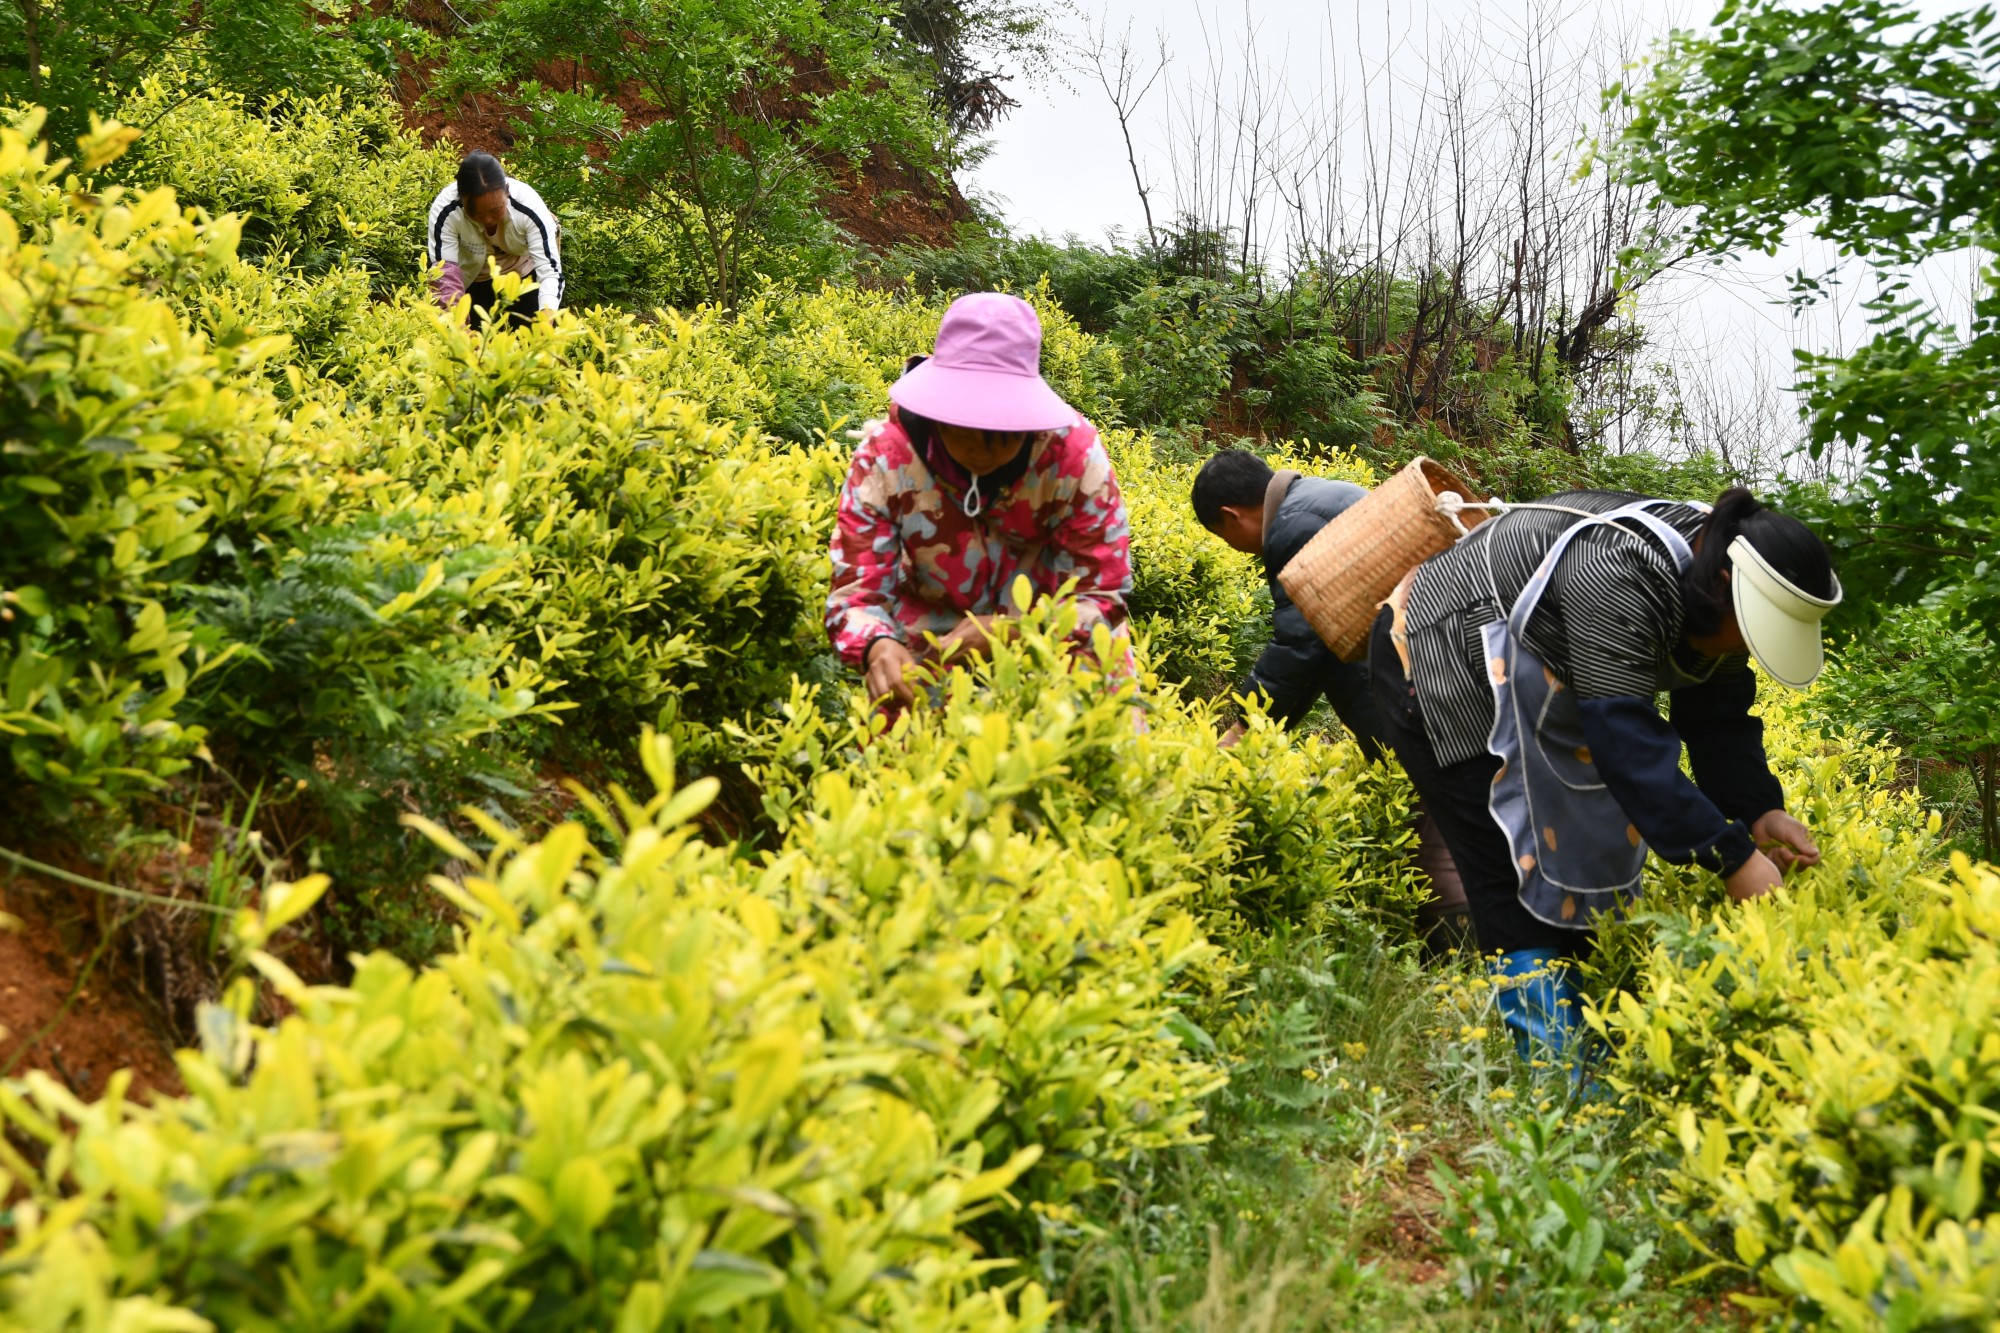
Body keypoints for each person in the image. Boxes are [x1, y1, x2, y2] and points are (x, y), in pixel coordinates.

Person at [1368, 486, 1841, 1062]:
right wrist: (1730, 858)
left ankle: (1592, 1050)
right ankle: (1555, 1079)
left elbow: (1718, 719)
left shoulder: (1724, 577)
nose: (1746, 648)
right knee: (1509, 868)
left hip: (1541, 678)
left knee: (1578, 859)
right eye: (1750, 633)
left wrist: (1758, 811)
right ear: (1724, 588)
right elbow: (1625, 740)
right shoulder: (1619, 567)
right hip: (1441, 654)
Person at [1192, 448, 1469, 948]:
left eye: (1222, 537)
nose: (1233, 547)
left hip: (1421, 702)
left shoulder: (1293, 528)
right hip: (1444, 683)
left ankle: (1460, 971)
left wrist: (1244, 726)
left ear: (1231, 517)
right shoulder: (1321, 495)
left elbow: (1301, 647)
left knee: (1435, 846)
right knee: (1446, 826)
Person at [827, 292, 1133, 705]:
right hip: (929, 643)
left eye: (1001, 432)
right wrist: (875, 645)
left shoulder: (1073, 459)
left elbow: (1100, 593)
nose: (980, 450)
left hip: (1054, 639)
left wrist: (1016, 630)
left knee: (1086, 750)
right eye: (962, 426)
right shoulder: (887, 458)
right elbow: (856, 591)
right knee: (911, 754)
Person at [426, 151, 563, 330]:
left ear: (506, 192)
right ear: (461, 199)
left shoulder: (528, 207)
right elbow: (445, 274)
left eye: (495, 210)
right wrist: (458, 326)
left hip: (522, 276)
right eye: (477, 213)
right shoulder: (445, 210)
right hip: (474, 280)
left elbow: (550, 273)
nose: (488, 220)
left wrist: (546, 319)